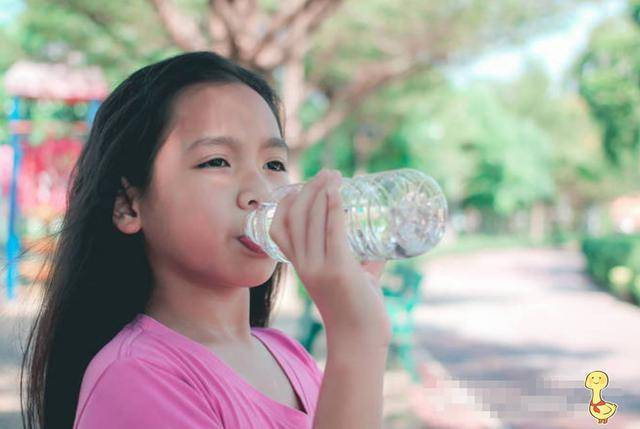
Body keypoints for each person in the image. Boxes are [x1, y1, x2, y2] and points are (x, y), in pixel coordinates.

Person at [19, 51, 392, 429]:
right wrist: (356, 340)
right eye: (216, 161)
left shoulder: (289, 356)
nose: (260, 192)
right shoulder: (134, 377)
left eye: (274, 164)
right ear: (129, 205)